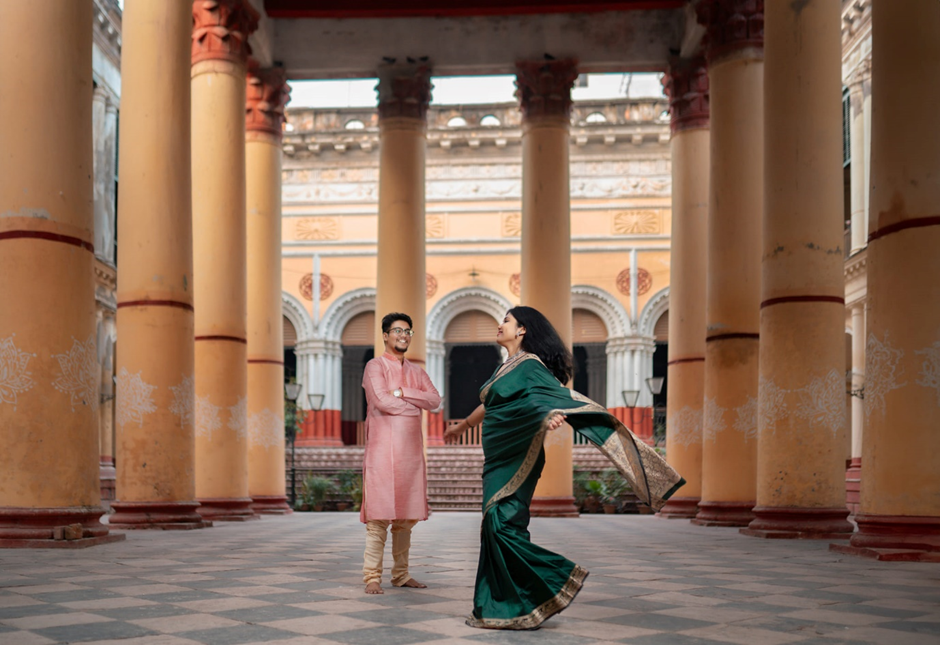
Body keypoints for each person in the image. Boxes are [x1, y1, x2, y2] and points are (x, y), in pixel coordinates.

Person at [445, 306, 685, 630]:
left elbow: (544, 399)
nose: (499, 325)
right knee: (496, 526)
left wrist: (549, 414)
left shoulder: (531, 365)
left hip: (518, 454)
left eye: (506, 321)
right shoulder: (506, 367)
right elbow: (491, 404)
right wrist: (461, 427)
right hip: (497, 457)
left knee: (500, 525)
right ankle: (507, 606)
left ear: (522, 330)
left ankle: (555, 578)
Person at [360, 312, 441, 595]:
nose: (403, 335)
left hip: (410, 455)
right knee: (378, 517)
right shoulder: (375, 366)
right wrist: (410, 404)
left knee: (406, 519)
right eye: (397, 330)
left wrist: (402, 391)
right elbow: (381, 401)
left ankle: (401, 575)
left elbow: (435, 400)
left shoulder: (417, 372)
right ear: (385, 335)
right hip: (382, 453)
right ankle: (372, 576)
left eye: (408, 331)